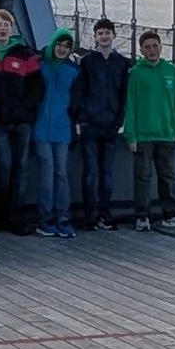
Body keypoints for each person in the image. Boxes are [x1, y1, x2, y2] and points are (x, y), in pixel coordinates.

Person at [123, 28, 175, 231]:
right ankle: (142, 216)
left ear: (161, 47)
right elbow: (131, 104)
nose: (152, 50)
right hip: (143, 135)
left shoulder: (172, 72)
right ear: (141, 50)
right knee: (143, 176)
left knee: (167, 175)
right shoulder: (135, 73)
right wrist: (131, 135)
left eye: (155, 46)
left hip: (167, 133)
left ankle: (170, 215)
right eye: (147, 47)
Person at [72, 17, 132, 230]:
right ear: (95, 37)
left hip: (110, 126)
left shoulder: (122, 63)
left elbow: (124, 93)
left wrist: (119, 120)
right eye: (100, 33)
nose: (104, 36)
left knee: (106, 174)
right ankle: (90, 216)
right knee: (90, 174)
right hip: (90, 125)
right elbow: (81, 91)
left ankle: (104, 215)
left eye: (107, 32)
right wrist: (82, 118)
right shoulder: (88, 62)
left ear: (114, 36)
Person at [0, 8, 42, 236]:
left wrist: (25, 108)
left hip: (21, 122)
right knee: (4, 167)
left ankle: (17, 216)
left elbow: (37, 86)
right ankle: (0, 215)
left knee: (21, 168)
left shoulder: (24, 54)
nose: (2, 28)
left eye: (6, 24)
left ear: (12, 28)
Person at [33, 29, 79, 237]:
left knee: (61, 173)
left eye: (66, 46)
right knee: (47, 173)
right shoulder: (39, 65)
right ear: (53, 44)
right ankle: (45, 217)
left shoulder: (73, 71)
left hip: (62, 127)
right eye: (59, 44)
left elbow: (77, 101)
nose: (62, 49)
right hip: (41, 127)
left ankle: (62, 215)